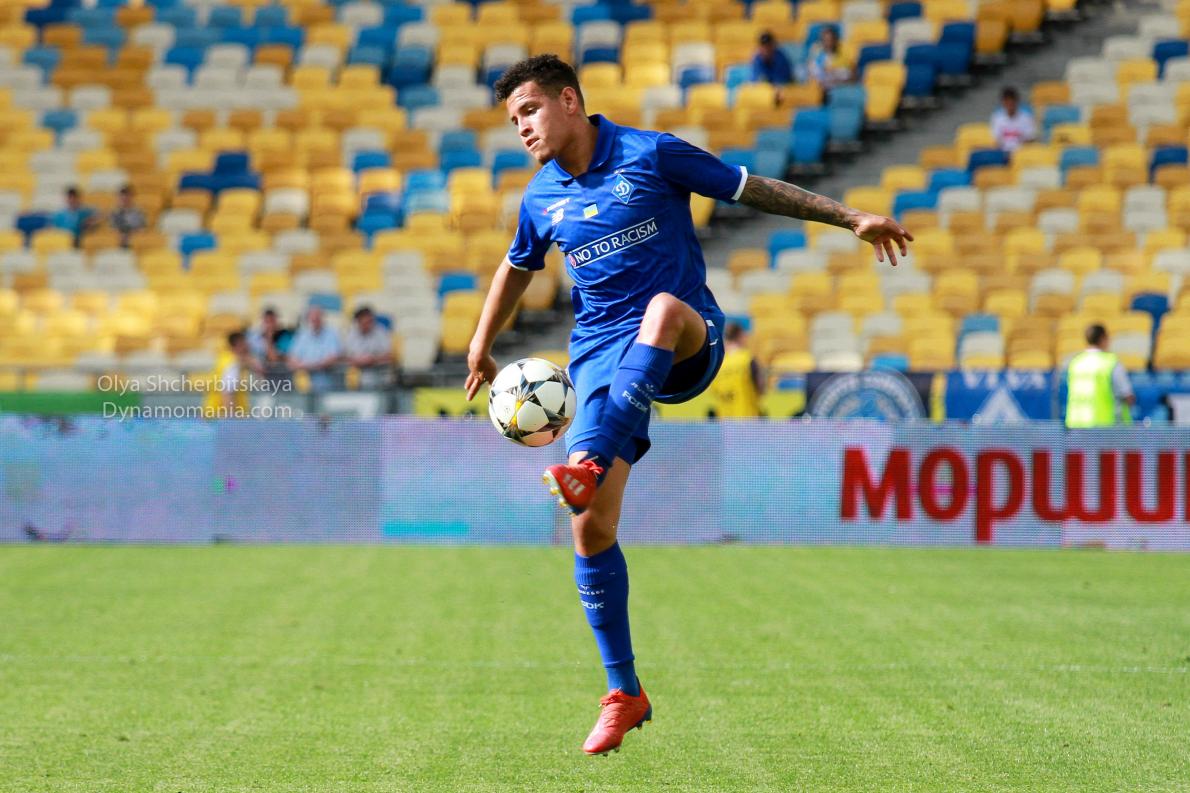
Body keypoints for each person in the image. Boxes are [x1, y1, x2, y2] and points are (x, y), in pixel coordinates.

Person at [463, 55, 911, 757]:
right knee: (590, 528)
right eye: (513, 118)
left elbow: (750, 187)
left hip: (687, 339)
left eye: (529, 110)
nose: (521, 127)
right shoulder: (541, 196)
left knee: (664, 309)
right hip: (601, 359)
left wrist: (848, 215)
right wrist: (480, 344)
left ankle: (588, 461)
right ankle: (624, 692)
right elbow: (517, 265)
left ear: (569, 100)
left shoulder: (651, 153)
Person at [1065, 323, 1135, 428]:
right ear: (1103, 338)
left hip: (1076, 424)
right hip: (1104, 427)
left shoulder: (1075, 363)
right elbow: (1127, 395)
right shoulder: (1111, 363)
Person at [710, 323, 764, 417]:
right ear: (740, 336)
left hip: (724, 421)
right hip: (748, 419)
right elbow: (761, 388)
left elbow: (713, 390)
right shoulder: (748, 359)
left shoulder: (717, 362)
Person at [203, 330, 261, 417]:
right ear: (239, 344)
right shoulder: (233, 365)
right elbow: (227, 393)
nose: (248, 346)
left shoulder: (225, 358)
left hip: (214, 415)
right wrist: (232, 419)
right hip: (221, 416)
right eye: (245, 343)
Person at [286, 306, 343, 392]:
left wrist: (307, 366)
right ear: (308, 320)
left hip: (328, 386)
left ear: (322, 318)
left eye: (317, 318)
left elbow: (333, 358)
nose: (315, 321)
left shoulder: (332, 334)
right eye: (313, 319)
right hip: (304, 387)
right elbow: (291, 359)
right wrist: (314, 365)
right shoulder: (302, 335)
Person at [343, 305, 394, 389]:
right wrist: (358, 361)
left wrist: (373, 359)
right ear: (358, 322)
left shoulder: (381, 332)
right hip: (357, 380)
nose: (369, 325)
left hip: (380, 377)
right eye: (365, 323)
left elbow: (390, 356)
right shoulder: (351, 334)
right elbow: (344, 357)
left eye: (370, 321)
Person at [805, 25, 854, 90]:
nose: (828, 43)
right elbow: (812, 73)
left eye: (830, 40)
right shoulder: (817, 54)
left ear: (835, 40)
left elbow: (849, 74)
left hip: (839, 88)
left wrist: (834, 72)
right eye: (825, 40)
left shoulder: (843, 54)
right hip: (820, 88)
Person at [991, 86, 1036, 153]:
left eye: (1012, 101)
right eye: (1007, 101)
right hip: (1003, 152)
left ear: (1017, 101)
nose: (1010, 104)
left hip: (1021, 153)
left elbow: (1031, 139)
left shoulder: (1026, 118)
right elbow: (996, 140)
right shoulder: (997, 118)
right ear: (1003, 102)